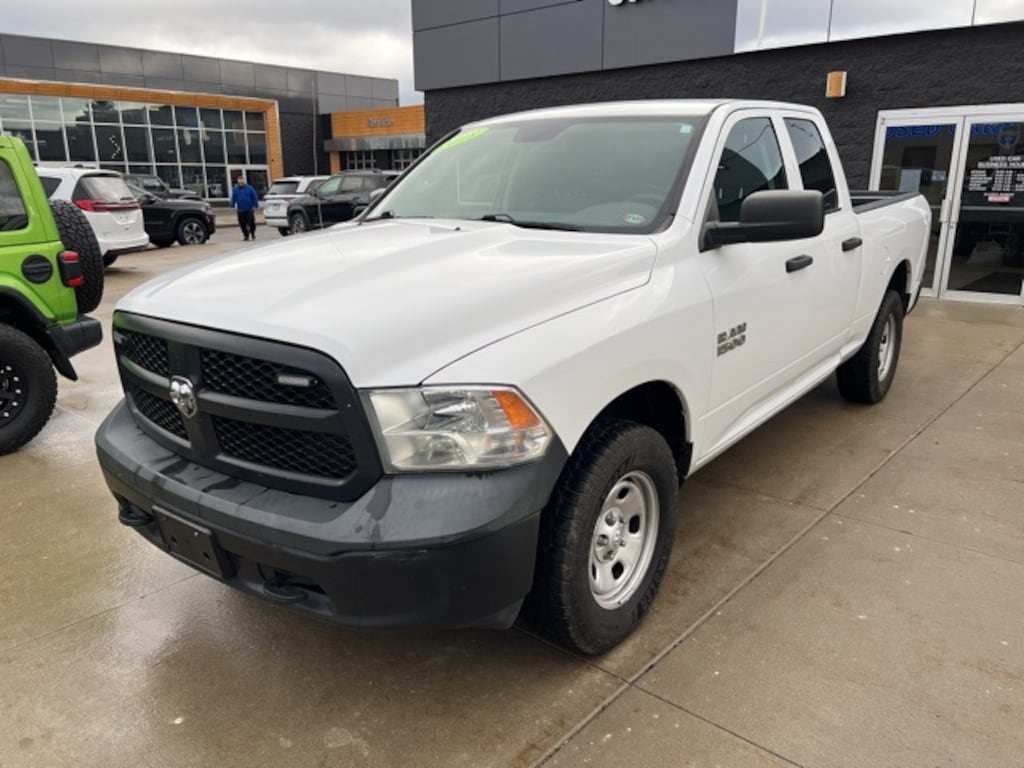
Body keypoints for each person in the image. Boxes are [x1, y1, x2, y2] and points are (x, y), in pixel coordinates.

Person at [230, 176, 259, 240]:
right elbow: (233, 198)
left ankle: (253, 233)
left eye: (242, 182)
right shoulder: (235, 189)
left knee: (251, 222)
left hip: (249, 209)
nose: (240, 183)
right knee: (242, 223)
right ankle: (246, 235)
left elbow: (254, 197)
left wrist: (255, 205)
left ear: (244, 181)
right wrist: (232, 205)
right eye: (239, 182)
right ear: (238, 182)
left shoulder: (250, 188)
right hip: (240, 209)